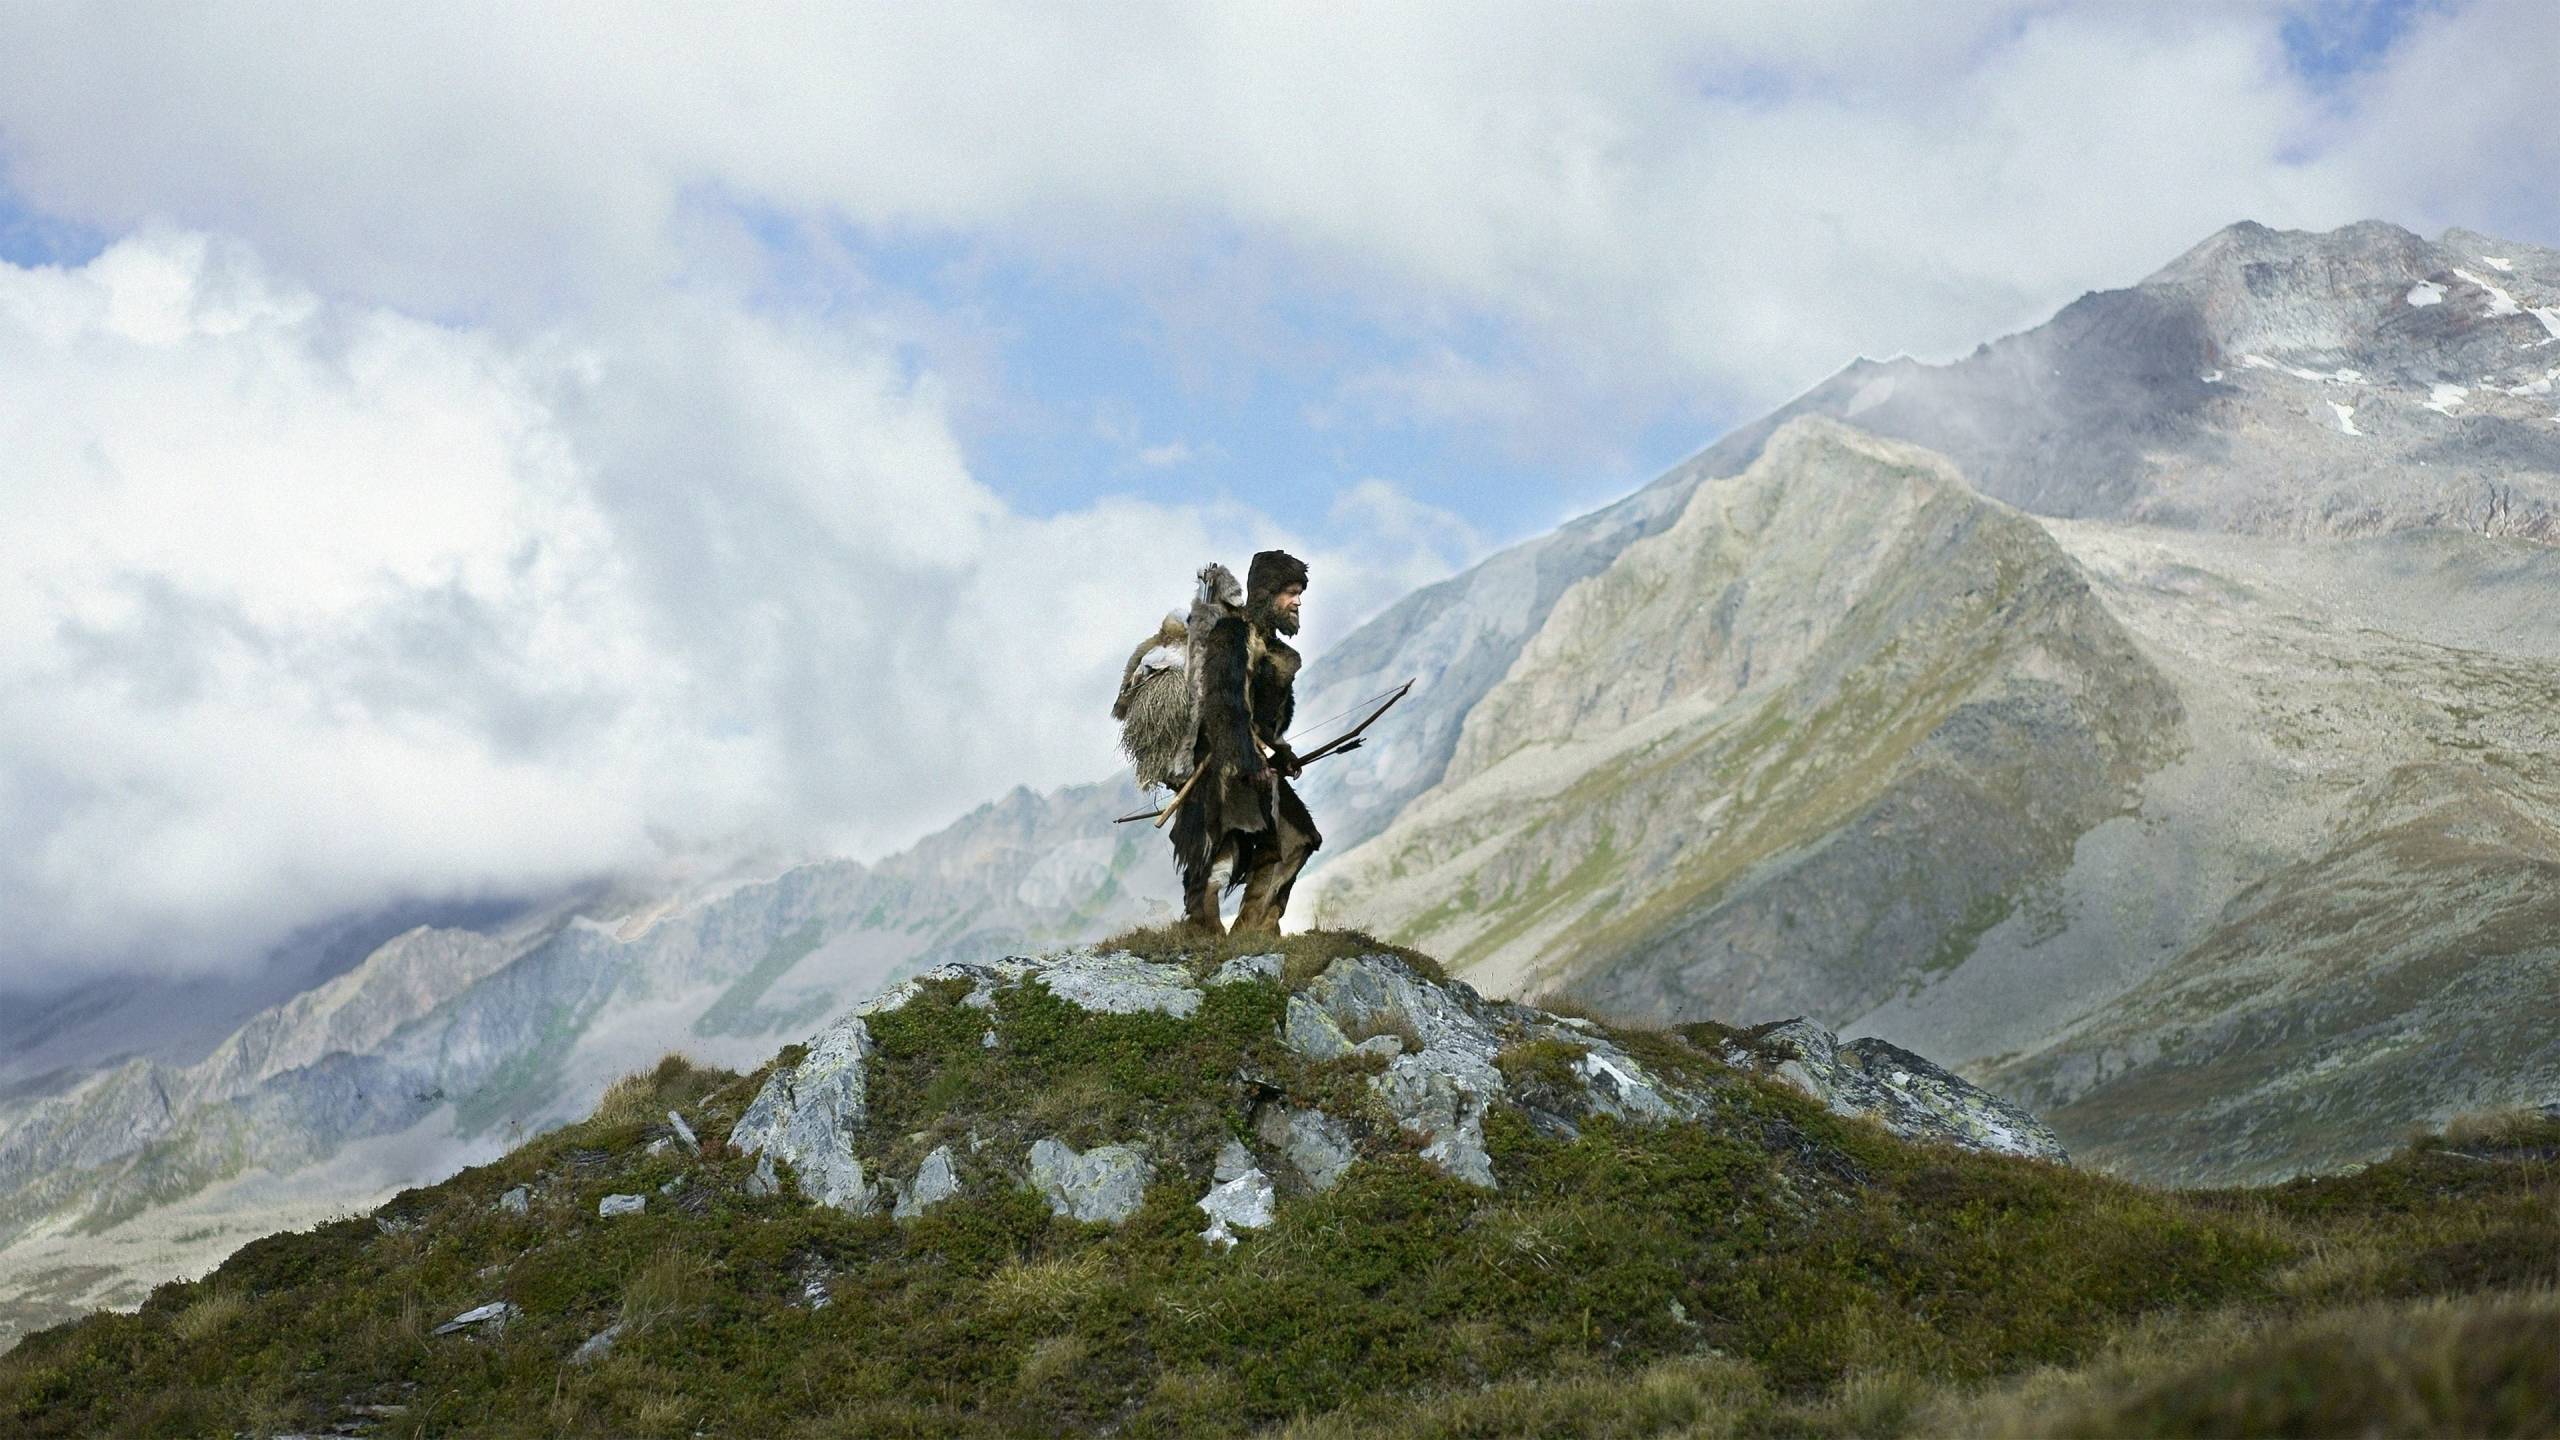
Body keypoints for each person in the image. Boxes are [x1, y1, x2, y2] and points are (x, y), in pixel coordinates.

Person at [1170, 549, 1322, 935]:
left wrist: (1280, 753)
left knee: (1296, 839)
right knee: (1224, 852)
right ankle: (1202, 934)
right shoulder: (1232, 635)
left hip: (1259, 768)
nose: (1298, 601)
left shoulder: (1279, 653)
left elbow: (1266, 723)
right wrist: (1244, 760)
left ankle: (1255, 932)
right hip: (1223, 769)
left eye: (1299, 592)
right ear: (1268, 594)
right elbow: (1224, 704)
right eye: (1290, 592)